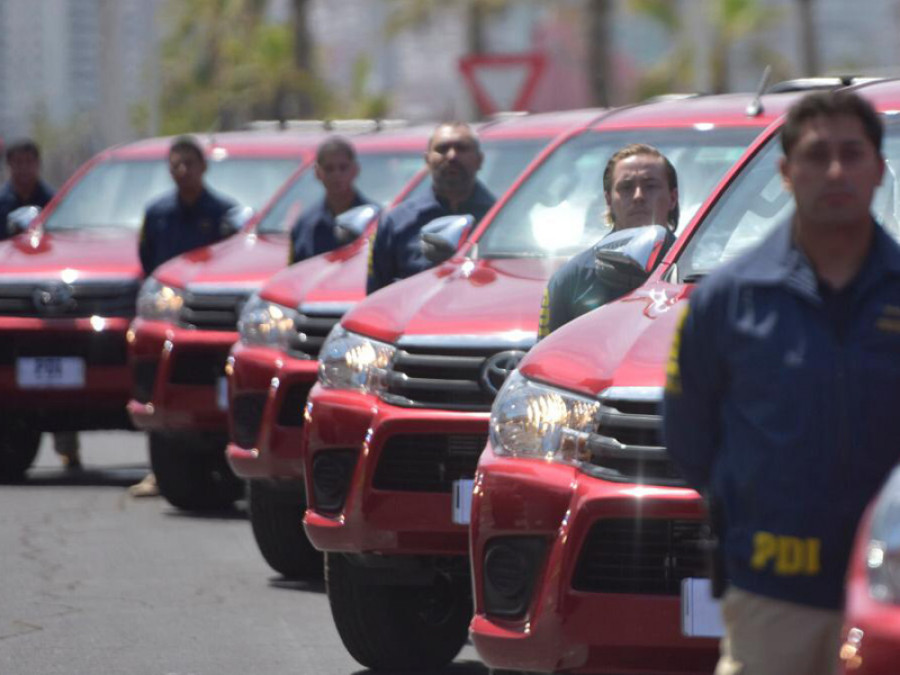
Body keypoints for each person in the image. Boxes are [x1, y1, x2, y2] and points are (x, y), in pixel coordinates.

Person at [663, 91, 900, 675]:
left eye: (853, 153)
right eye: (817, 156)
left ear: (878, 167)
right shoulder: (727, 300)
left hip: (892, 594)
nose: (836, 171)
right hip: (771, 590)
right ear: (787, 172)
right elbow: (689, 438)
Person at [131, 136, 237, 497]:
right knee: (158, 392)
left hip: (211, 323)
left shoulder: (224, 213)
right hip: (167, 323)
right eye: (176, 164)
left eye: (189, 163)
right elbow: (148, 261)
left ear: (203, 167)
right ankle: (159, 471)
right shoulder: (157, 213)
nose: (183, 171)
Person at [0, 139, 83, 470]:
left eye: (29, 162)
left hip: (53, 309)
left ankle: (68, 448)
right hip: (13, 309)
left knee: (64, 385)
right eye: (17, 163)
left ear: (37, 164)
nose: (23, 169)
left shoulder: (53, 204)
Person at [538, 143, 678, 338]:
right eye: (626, 187)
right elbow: (546, 361)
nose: (639, 196)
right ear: (608, 200)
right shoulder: (572, 279)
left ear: (673, 197)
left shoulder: (693, 273)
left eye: (650, 186)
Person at [366, 121, 494, 294]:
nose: (452, 156)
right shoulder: (396, 222)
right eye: (442, 149)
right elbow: (376, 296)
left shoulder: (498, 220)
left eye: (462, 148)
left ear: (479, 160)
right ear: (427, 160)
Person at [289, 136, 372, 264]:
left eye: (343, 167)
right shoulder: (306, 225)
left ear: (355, 169)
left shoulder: (372, 220)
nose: (336, 175)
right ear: (317, 172)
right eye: (329, 169)